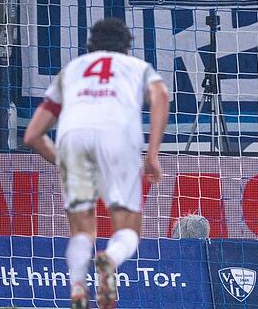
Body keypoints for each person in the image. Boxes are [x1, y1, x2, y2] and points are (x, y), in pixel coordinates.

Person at [22, 18, 170, 309]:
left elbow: (32, 135)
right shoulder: (137, 67)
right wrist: (152, 154)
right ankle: (110, 259)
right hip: (117, 136)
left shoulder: (72, 70)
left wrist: (65, 162)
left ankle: (78, 284)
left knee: (81, 231)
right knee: (127, 228)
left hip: (72, 137)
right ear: (126, 46)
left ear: (91, 45)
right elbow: (161, 96)